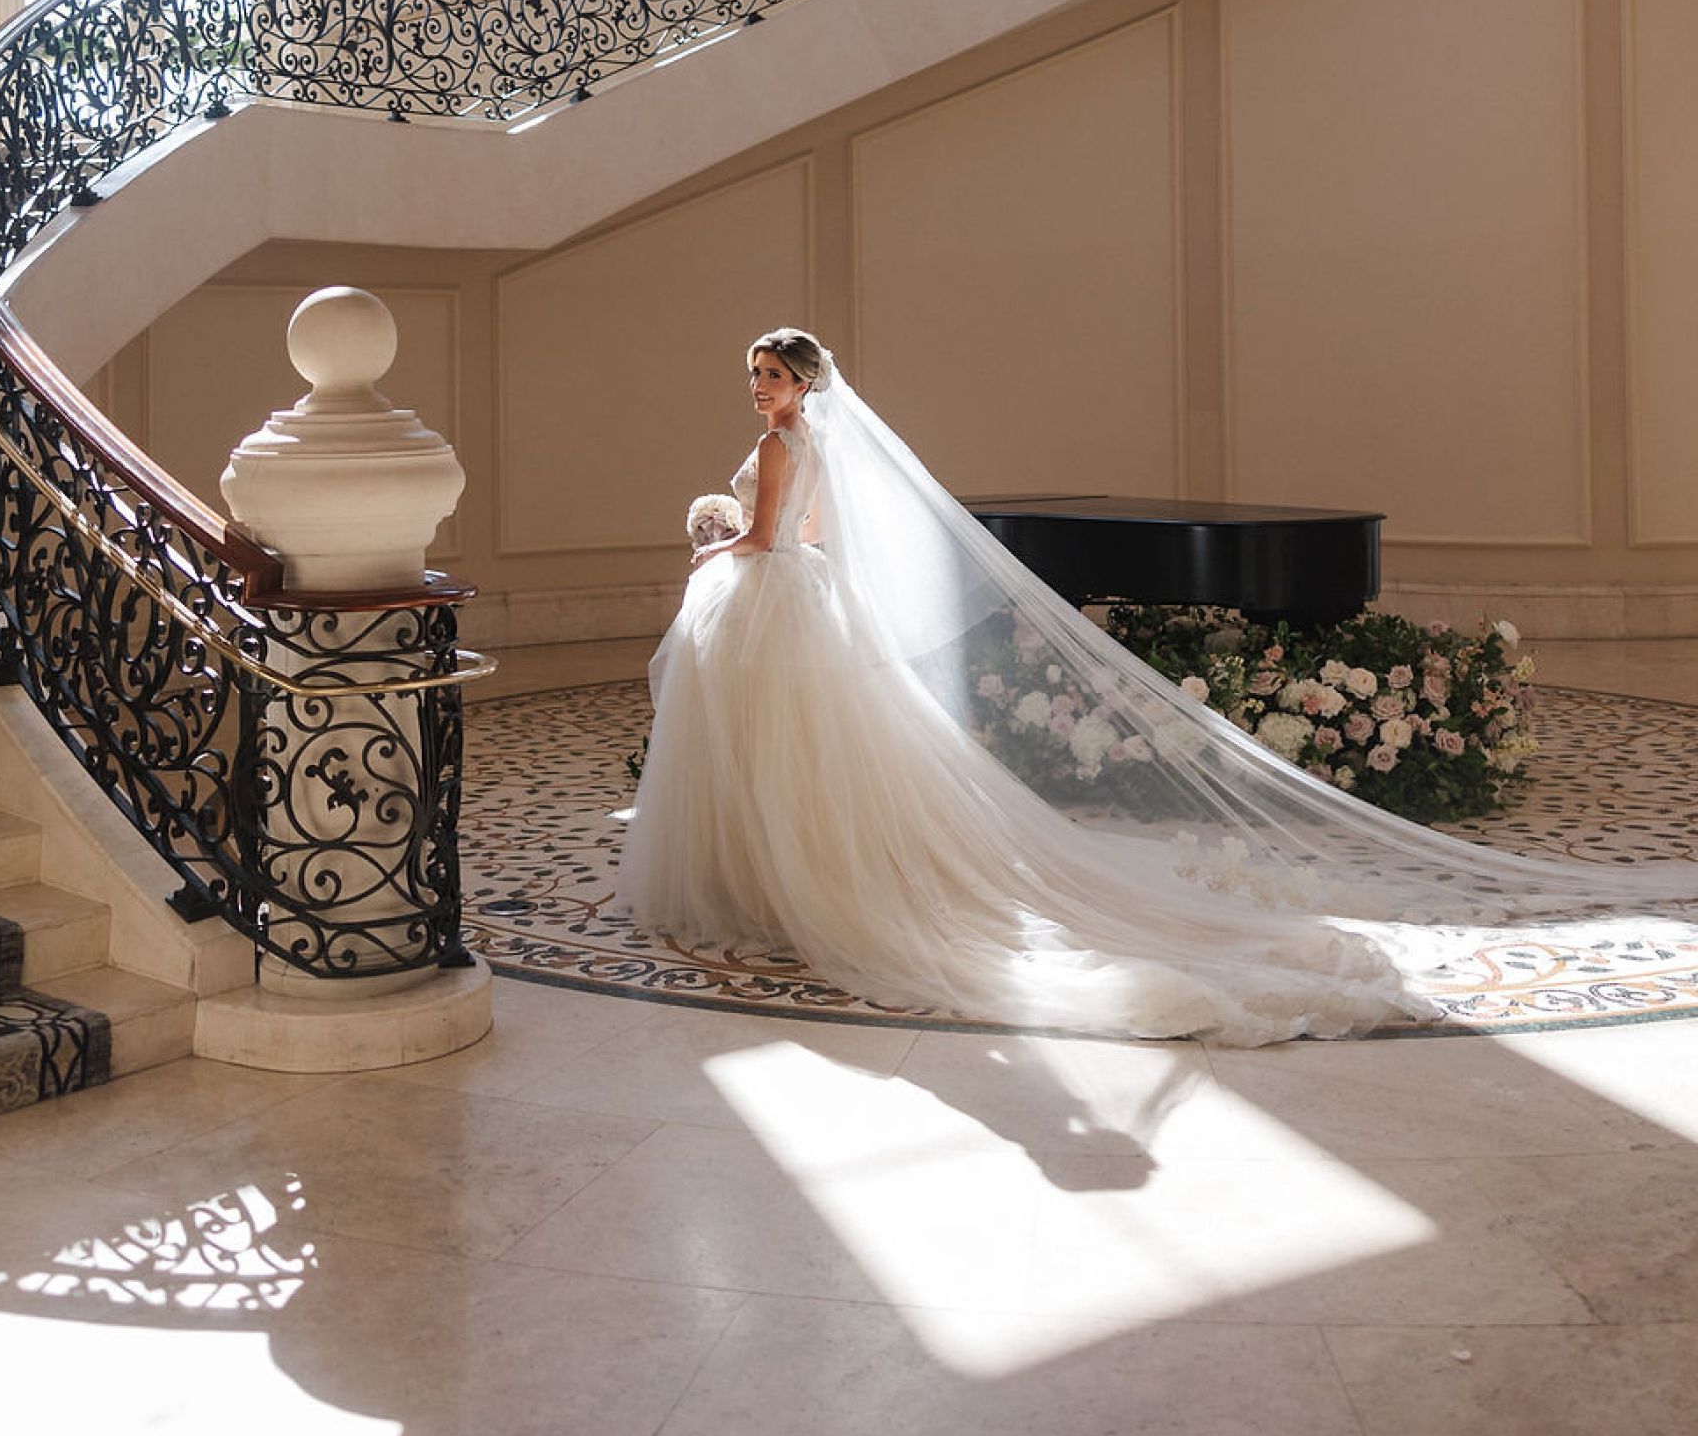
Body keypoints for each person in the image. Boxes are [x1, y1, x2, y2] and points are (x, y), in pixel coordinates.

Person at [618, 327, 1698, 1046]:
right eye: (755, 378)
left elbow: (769, 536)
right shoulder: (810, 444)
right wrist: (750, 537)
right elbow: (810, 533)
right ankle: (775, 874)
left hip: (773, 597)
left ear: (804, 384)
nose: (760, 391)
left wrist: (710, 545)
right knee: (803, 752)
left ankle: (765, 880)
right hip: (808, 598)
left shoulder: (773, 451)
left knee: (768, 749)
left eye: (771, 377)